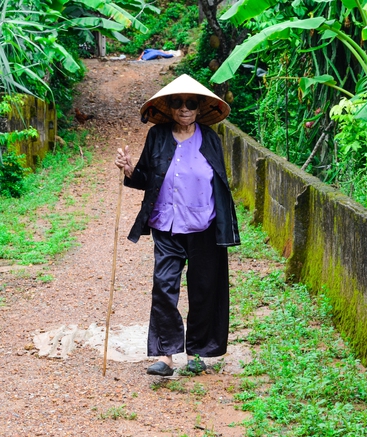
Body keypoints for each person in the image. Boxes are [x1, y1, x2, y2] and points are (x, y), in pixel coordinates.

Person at [114, 74, 240, 376]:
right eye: (177, 102)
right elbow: (145, 178)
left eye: (190, 103)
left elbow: (219, 183)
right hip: (166, 226)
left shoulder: (210, 138)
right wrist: (130, 169)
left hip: (205, 228)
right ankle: (166, 356)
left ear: (199, 108)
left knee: (204, 289)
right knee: (163, 287)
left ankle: (198, 352)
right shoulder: (157, 136)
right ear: (169, 107)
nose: (184, 108)